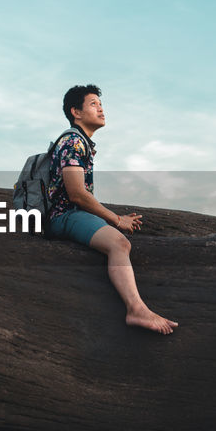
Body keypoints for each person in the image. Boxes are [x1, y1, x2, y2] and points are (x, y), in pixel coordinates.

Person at [46, 85, 179, 335]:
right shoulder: (73, 141)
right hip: (63, 216)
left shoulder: (81, 141)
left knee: (119, 242)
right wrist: (117, 220)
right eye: (93, 104)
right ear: (76, 112)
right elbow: (76, 194)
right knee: (120, 244)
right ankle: (136, 310)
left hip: (71, 214)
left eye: (100, 103)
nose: (101, 108)